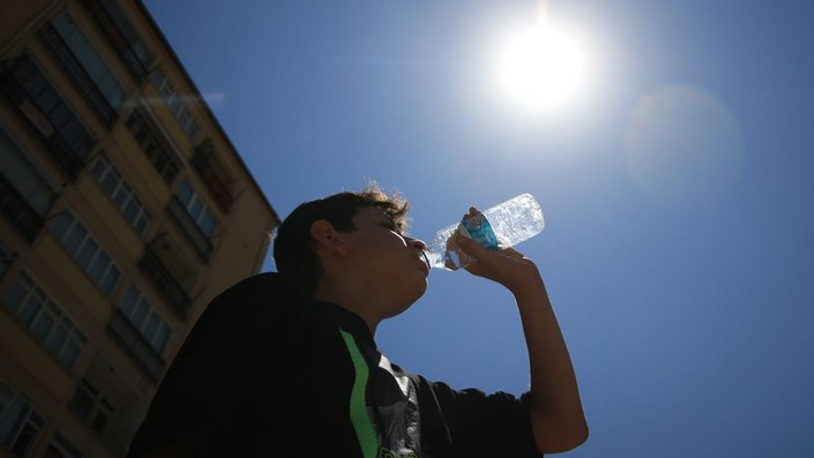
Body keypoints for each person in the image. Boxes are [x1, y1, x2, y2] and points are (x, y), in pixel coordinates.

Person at [127, 184, 588, 457]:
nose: (417, 246)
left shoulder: (417, 401)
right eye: (391, 231)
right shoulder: (271, 310)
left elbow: (561, 428)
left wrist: (527, 283)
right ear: (330, 238)